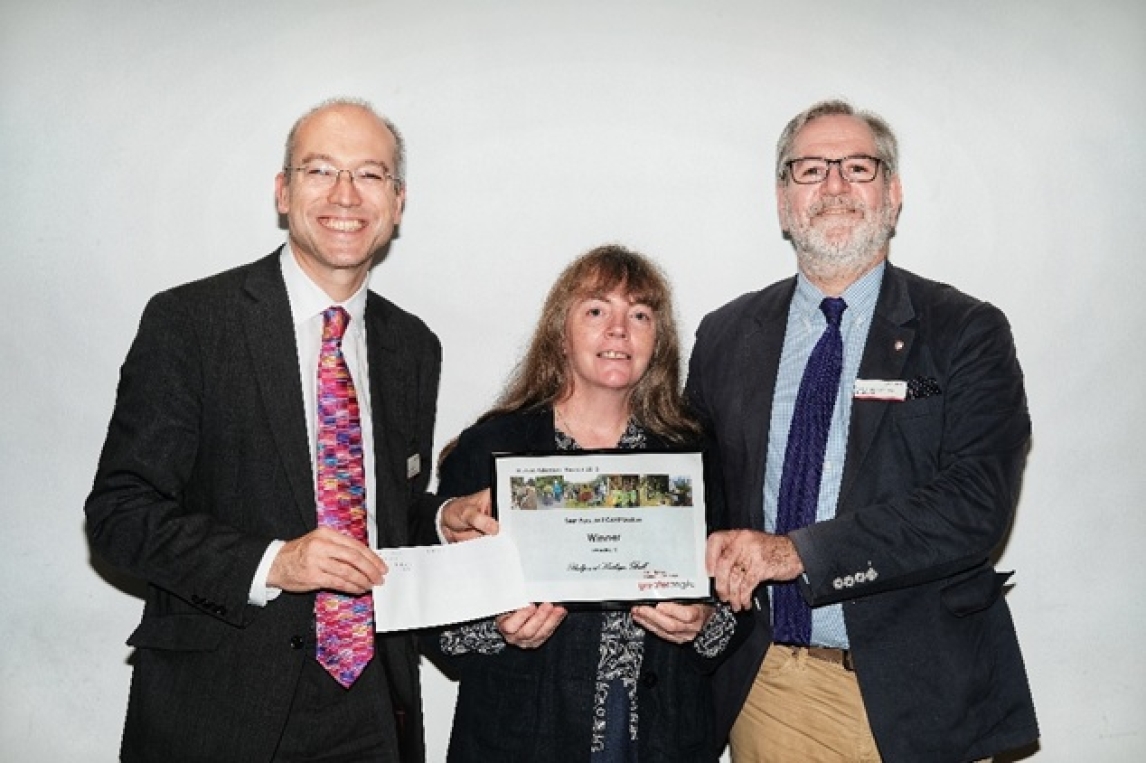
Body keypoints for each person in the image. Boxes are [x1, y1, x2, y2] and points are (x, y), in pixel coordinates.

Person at [85, 97, 481, 763]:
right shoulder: (190, 323)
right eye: (321, 170)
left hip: (372, 710)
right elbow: (120, 515)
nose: (346, 195)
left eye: (371, 174)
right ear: (283, 191)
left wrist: (445, 519)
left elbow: (379, 518)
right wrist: (274, 561)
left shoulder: (414, 346)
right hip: (219, 710)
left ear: (398, 202)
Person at [691, 100, 1039, 762]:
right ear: (782, 200)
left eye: (857, 166)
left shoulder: (962, 333)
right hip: (771, 688)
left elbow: (974, 502)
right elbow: (693, 488)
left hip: (917, 691)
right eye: (810, 169)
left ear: (893, 193)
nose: (834, 186)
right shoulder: (726, 335)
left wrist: (799, 552)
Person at [426, 245, 738, 762]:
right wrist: (498, 629)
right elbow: (435, 615)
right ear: (560, 333)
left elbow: (735, 599)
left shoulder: (693, 455)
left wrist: (703, 622)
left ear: (657, 341)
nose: (619, 329)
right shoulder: (490, 449)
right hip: (523, 735)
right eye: (596, 310)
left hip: (658, 735)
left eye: (639, 314)